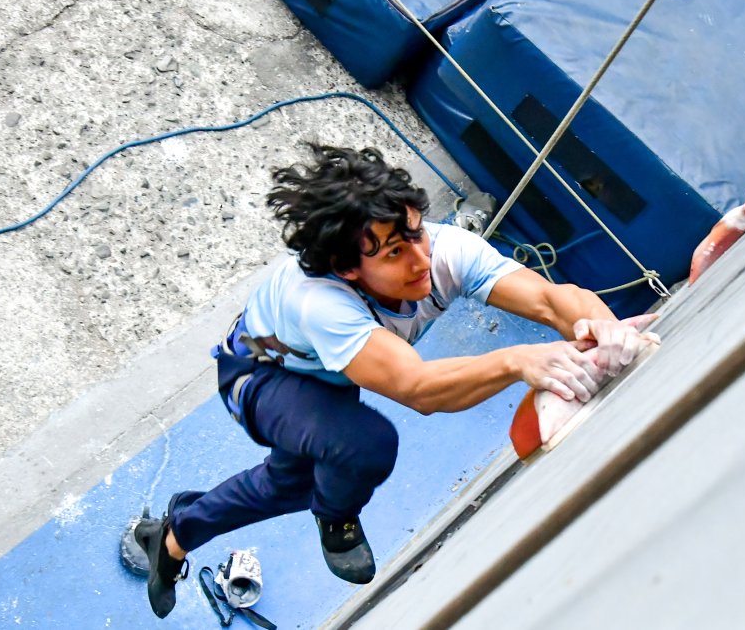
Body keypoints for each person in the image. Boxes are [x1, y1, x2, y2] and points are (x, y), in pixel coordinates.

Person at [134, 144, 657, 618]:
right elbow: (418, 389)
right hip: (262, 373)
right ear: (346, 269)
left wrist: (599, 328)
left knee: (289, 484)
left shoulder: (443, 250)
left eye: (417, 234)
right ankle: (336, 518)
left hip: (327, 368)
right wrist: (516, 360)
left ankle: (175, 534)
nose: (421, 259)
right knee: (361, 446)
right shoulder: (320, 303)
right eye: (393, 253)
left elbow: (551, 299)